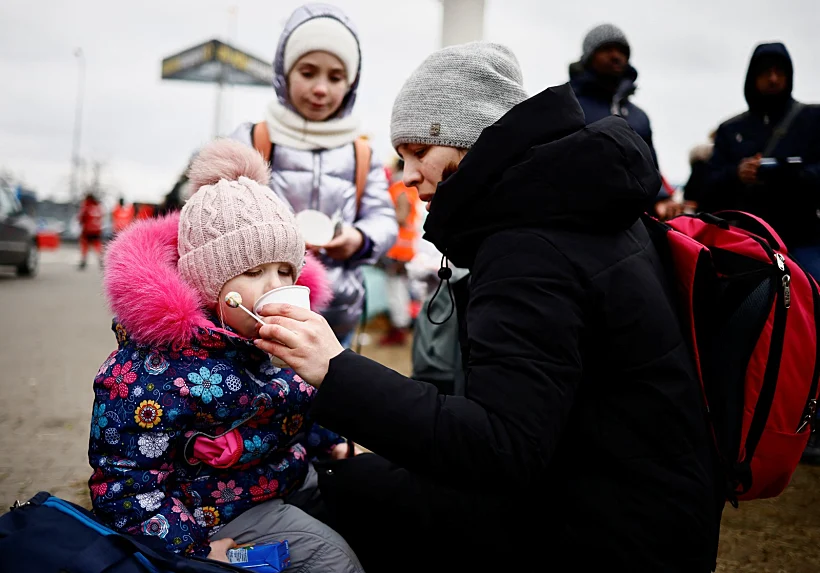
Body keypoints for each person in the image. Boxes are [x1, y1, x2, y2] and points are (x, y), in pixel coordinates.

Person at [254, 42, 721, 572]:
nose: (406, 176)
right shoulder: (582, 205)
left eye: (416, 152)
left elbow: (502, 447)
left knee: (351, 495)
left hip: (608, 535)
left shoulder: (530, 245)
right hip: (654, 508)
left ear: (466, 139)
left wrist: (334, 370)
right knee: (370, 478)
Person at [88, 139, 364, 571]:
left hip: (287, 478)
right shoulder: (153, 371)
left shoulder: (271, 342)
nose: (275, 285)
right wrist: (191, 549)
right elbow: (124, 483)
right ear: (206, 285)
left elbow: (295, 406)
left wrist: (332, 443)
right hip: (213, 514)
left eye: (285, 271)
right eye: (254, 273)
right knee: (332, 560)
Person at [231, 3, 397, 348]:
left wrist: (359, 239)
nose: (321, 89)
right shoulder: (251, 139)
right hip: (258, 316)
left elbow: (384, 220)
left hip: (337, 318)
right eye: (308, 72)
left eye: (335, 77)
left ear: (350, 83)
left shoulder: (361, 152)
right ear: (284, 74)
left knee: (329, 402)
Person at [705, 42, 820, 275]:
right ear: (753, 77)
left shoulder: (812, 119)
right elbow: (706, 185)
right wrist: (737, 174)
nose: (774, 79)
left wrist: (789, 173)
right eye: (766, 72)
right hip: (750, 240)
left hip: (804, 236)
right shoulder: (730, 129)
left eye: (780, 72)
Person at [569, 23, 683, 220]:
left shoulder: (639, 116)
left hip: (633, 223)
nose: (616, 56)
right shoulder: (567, 104)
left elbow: (650, 168)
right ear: (589, 56)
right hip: (578, 217)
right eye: (607, 49)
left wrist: (662, 199)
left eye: (622, 51)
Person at [379, 158, 419, 346]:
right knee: (401, 288)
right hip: (407, 246)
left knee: (395, 289)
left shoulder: (398, 188)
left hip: (397, 248)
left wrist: (381, 216)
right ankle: (401, 325)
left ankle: (399, 327)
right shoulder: (412, 188)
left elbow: (401, 217)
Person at [77, 192, 103, 269]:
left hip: (87, 230)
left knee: (85, 245)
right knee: (97, 245)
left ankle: (83, 261)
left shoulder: (86, 206)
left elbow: (81, 217)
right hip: (97, 230)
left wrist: (81, 223)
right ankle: (101, 260)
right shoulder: (98, 207)